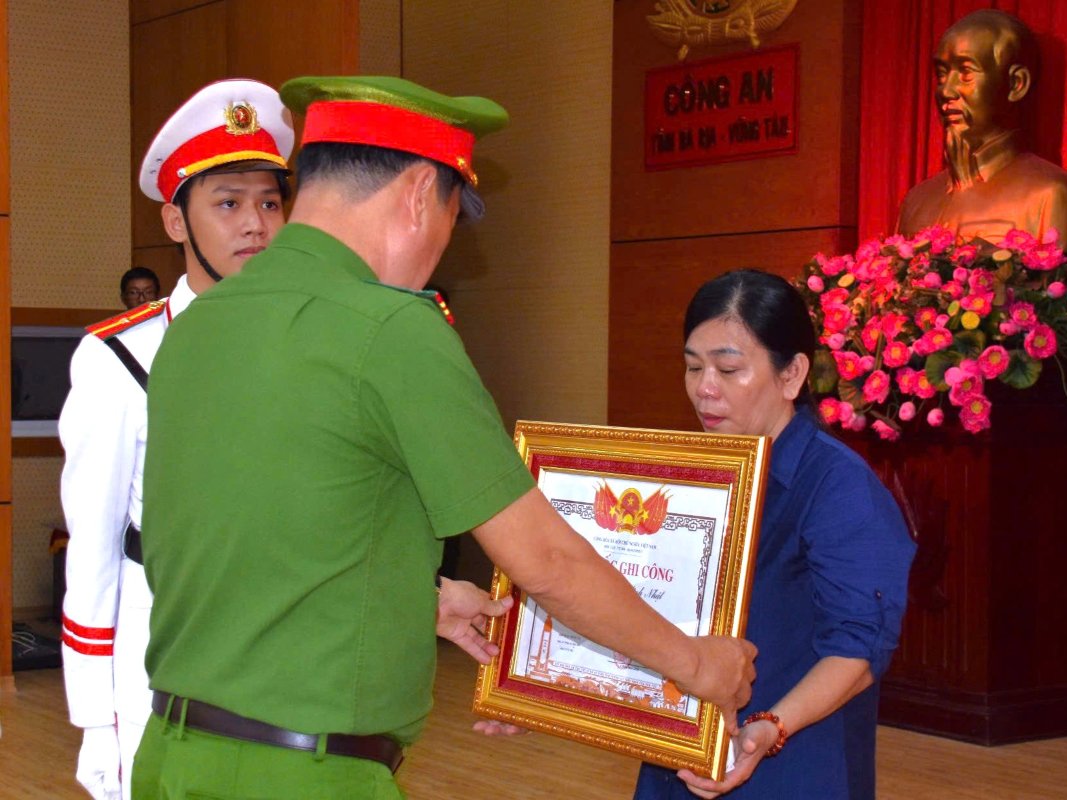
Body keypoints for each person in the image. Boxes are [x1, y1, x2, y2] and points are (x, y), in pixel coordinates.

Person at [132, 75, 756, 800]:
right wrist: (697, 665)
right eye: (452, 219)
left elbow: (253, 534)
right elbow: (546, 560)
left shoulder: (197, 325)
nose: (440, 246)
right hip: (303, 776)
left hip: (170, 759)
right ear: (421, 193)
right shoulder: (393, 328)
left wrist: (412, 599)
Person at [59, 79, 294, 800]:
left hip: (287, 651)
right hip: (158, 653)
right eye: (228, 203)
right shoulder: (122, 356)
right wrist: (95, 718)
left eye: (270, 203)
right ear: (174, 220)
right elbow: (94, 547)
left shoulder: (309, 340)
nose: (255, 224)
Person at [633, 269, 916, 799]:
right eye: (693, 367)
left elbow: (856, 651)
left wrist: (772, 726)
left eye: (728, 369)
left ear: (792, 375)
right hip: (681, 749)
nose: (704, 388)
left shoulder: (838, 486)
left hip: (790, 759)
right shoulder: (696, 473)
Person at [896, 9, 1067, 253]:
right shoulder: (916, 201)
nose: (946, 90)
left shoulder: (1050, 195)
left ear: (1016, 84)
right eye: (942, 75)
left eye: (966, 73)